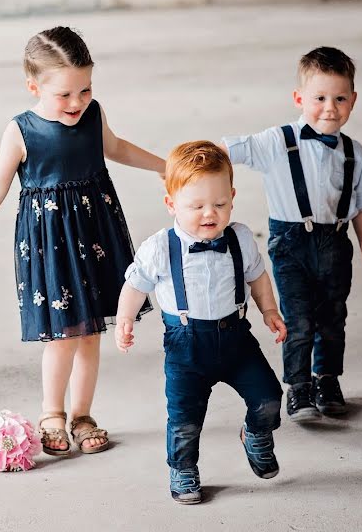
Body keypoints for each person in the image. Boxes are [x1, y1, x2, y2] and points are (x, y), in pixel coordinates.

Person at [0, 26, 165, 455]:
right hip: (51, 242)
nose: (76, 102)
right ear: (34, 86)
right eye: (64, 94)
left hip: (95, 232)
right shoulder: (22, 131)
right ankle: (52, 411)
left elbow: (117, 148)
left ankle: (83, 413)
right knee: (63, 334)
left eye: (84, 90)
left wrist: (166, 166)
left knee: (91, 333)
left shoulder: (92, 113)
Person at [115, 141, 287, 504]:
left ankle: (255, 433)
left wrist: (269, 311)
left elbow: (257, 277)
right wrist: (125, 319)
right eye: (196, 206)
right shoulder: (160, 247)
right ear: (171, 204)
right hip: (186, 345)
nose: (210, 213)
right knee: (184, 419)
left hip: (237, 338)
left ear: (232, 197)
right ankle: (183, 468)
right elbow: (135, 285)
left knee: (269, 397)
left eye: (220, 204)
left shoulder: (239, 237)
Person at [222, 47, 362, 422]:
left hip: (336, 244)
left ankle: (327, 379)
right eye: (320, 98)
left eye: (340, 98)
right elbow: (234, 149)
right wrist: (195, 159)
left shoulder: (354, 152)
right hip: (291, 244)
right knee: (299, 319)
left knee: (332, 317)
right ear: (299, 99)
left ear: (353, 101)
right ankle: (299, 386)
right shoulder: (278, 141)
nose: (330, 108)